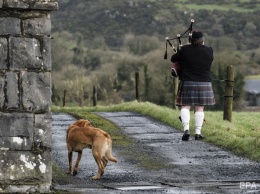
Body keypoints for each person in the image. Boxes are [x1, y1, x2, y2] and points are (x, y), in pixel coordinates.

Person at [171, 30, 215, 141]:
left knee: (185, 106)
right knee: (200, 107)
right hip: (204, 82)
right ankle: (198, 133)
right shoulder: (209, 50)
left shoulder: (185, 49)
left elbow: (173, 59)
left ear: (191, 40)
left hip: (188, 81)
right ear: (202, 40)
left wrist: (183, 50)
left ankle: (186, 130)